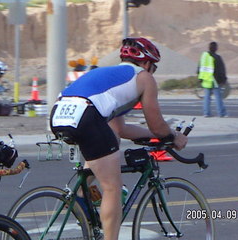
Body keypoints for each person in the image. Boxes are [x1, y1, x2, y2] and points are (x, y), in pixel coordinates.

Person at [50, 37, 188, 240]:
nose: (152, 72)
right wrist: (174, 136)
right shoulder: (144, 78)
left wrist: (151, 135)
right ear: (147, 63)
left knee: (104, 152)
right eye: (154, 68)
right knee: (112, 187)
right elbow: (158, 126)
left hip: (59, 114)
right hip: (87, 115)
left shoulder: (110, 76)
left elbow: (120, 129)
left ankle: (83, 201)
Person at [198, 41, 228, 117]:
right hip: (215, 81)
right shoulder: (217, 57)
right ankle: (222, 113)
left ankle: (206, 113)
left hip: (205, 80)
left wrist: (200, 78)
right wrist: (223, 79)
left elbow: (199, 67)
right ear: (216, 48)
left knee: (207, 98)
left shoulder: (204, 56)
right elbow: (221, 70)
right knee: (218, 98)